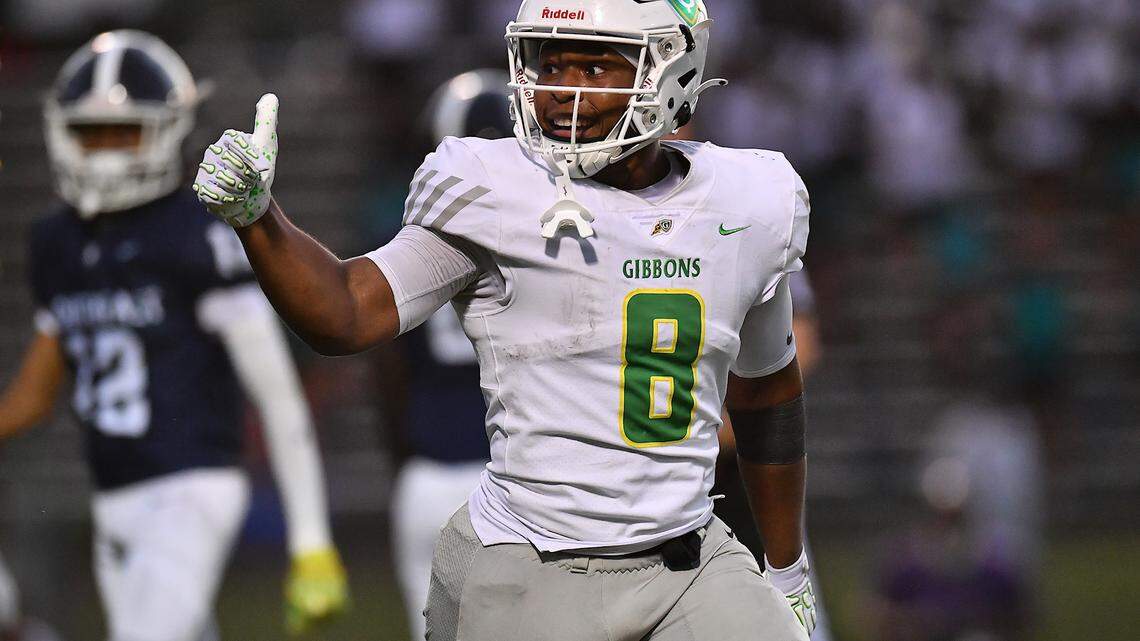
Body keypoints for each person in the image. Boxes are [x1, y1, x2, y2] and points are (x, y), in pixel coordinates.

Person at [194, 1, 815, 639]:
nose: (558, 92)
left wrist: (787, 568)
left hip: (691, 557)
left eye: (594, 66)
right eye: (550, 63)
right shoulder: (495, 188)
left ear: (672, 71)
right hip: (539, 558)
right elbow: (346, 313)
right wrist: (258, 217)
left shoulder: (748, 200)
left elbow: (767, 388)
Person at [0, 30, 347, 640]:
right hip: (110, 501)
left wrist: (311, 541)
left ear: (168, 129)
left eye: (124, 131)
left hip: (191, 488)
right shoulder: (55, 242)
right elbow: (34, 394)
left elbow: (276, 393)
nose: (106, 152)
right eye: (91, 132)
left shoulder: (197, 234)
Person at [379, 69, 510, 641]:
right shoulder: (549, 238)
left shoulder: (406, 237)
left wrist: (406, 457)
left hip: (430, 471)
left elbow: (387, 373)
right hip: (513, 475)